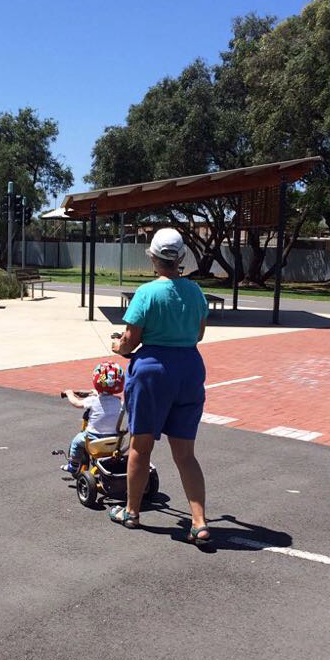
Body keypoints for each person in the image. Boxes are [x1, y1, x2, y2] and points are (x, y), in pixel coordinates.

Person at [110, 227, 211, 543]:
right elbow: (198, 335)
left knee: (141, 445)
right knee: (185, 453)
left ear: (153, 257)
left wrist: (118, 347)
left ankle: (131, 511)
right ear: (181, 258)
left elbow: (130, 341)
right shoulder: (195, 292)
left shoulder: (146, 293)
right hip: (189, 369)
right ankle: (199, 521)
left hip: (153, 372)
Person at [61, 361, 125, 474]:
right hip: (114, 440)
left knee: (76, 442)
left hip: (93, 439)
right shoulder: (118, 402)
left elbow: (77, 403)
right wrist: (98, 393)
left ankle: (73, 465)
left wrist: (70, 394)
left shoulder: (93, 400)